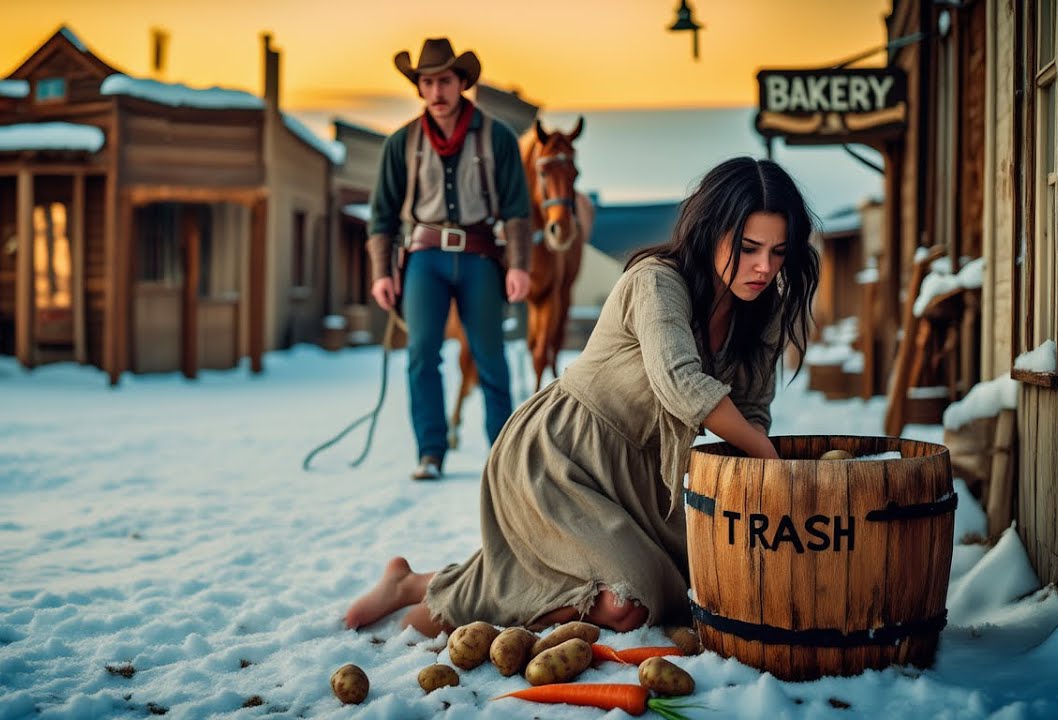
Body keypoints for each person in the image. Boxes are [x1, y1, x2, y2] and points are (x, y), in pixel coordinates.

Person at [345, 157, 820, 635]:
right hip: (562, 453)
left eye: (778, 252)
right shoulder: (657, 281)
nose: (764, 267)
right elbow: (682, 384)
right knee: (625, 604)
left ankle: (415, 584)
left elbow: (753, 407)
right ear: (712, 230)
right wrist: (771, 460)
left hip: (643, 478)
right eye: (748, 247)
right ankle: (435, 595)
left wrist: (765, 482)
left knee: (687, 590)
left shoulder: (763, 310)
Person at [366, 37, 533, 481]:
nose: (436, 91)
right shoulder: (401, 143)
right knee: (422, 353)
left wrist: (519, 264)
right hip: (424, 258)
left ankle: (501, 455)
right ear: (419, 87)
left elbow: (517, 209)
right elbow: (381, 214)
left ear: (461, 83)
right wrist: (381, 272)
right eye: (427, 82)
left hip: (480, 257)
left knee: (490, 357)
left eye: (444, 81)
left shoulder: (496, 136)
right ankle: (431, 452)